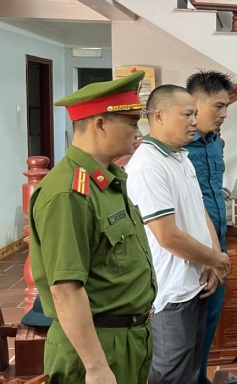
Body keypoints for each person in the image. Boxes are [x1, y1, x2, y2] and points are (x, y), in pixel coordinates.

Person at [28, 70, 156, 384]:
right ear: (100, 124)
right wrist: (96, 366)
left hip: (127, 340)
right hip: (96, 347)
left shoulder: (107, 180)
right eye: (132, 123)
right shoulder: (68, 193)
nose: (138, 132)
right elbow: (66, 290)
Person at [125, 85, 232, 384]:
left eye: (195, 114)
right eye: (187, 115)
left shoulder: (180, 156)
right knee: (170, 373)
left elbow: (201, 211)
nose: (195, 121)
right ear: (159, 115)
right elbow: (167, 236)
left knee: (192, 370)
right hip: (170, 291)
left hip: (196, 281)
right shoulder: (147, 166)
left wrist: (214, 258)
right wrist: (217, 259)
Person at [185, 70, 235, 384]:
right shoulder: (178, 148)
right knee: (184, 335)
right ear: (195, 102)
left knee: (207, 328)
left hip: (218, 246)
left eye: (226, 106)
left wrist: (219, 254)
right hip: (191, 252)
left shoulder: (216, 143)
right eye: (218, 106)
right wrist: (209, 256)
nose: (224, 114)